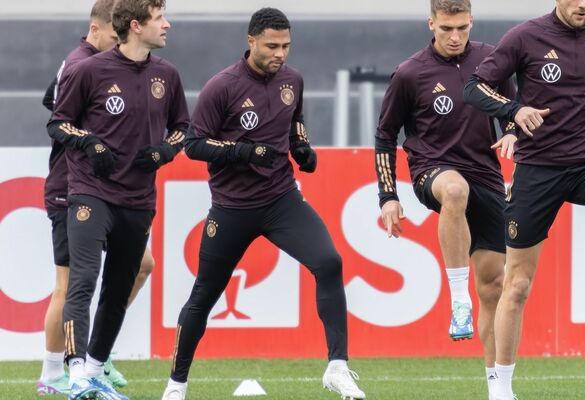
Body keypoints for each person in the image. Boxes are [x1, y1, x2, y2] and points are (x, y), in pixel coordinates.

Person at [160, 8, 365, 400]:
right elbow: (193, 144)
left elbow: (294, 121)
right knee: (204, 295)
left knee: (329, 261)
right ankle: (176, 384)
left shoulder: (293, 80)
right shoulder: (223, 86)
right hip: (231, 207)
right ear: (250, 41)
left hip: (281, 200)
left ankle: (337, 367)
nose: (280, 53)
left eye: (286, 46)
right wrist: (243, 152)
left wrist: (302, 147)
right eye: (272, 45)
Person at [463, 0, 585, 398]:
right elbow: (474, 87)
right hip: (538, 171)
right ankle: (500, 387)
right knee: (516, 286)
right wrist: (515, 111)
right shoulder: (524, 36)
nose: (583, 5)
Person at [47, 0, 189, 398]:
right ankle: (74, 372)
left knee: (117, 286)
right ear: (134, 25)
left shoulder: (168, 75)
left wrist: (166, 151)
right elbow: (58, 123)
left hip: (139, 198)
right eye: (160, 18)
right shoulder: (88, 70)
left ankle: (93, 372)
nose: (167, 25)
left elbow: (183, 129)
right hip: (91, 193)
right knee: (84, 279)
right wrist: (89, 142)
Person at [374, 0, 515, 397]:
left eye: (463, 28)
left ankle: (499, 388)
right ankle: (457, 302)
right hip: (433, 172)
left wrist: (512, 132)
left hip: (487, 178)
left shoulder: (492, 61)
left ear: (472, 23)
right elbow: (385, 136)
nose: (455, 37)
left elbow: (512, 111)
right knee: (454, 190)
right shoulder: (410, 73)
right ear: (431, 23)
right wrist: (388, 195)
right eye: (447, 28)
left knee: (494, 287)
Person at [37, 0, 154, 394]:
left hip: (106, 189)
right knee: (69, 285)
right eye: (115, 35)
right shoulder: (80, 64)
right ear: (97, 29)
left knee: (142, 265)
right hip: (72, 186)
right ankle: (54, 373)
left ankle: (94, 354)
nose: (120, 42)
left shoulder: (101, 64)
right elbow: (58, 116)